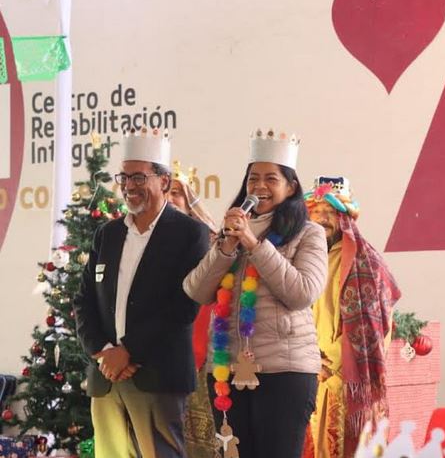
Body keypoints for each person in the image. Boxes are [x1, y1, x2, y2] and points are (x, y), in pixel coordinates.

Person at [183, 129, 328, 458]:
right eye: (253, 179)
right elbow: (195, 291)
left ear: (290, 187)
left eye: (270, 179)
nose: (259, 187)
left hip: (285, 372)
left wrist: (253, 244)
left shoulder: (309, 233)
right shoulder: (229, 234)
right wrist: (226, 248)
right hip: (226, 371)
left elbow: (302, 292)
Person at [74, 127, 211, 458]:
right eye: (124, 178)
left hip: (157, 376)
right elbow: (83, 302)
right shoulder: (107, 234)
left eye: (139, 177)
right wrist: (104, 351)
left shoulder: (190, 233)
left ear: (164, 182)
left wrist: (128, 351)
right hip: (106, 376)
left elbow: (182, 306)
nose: (129, 187)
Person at [302, 177, 401, 458]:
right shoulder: (303, 259)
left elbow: (374, 328)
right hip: (307, 374)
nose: (322, 219)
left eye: (330, 213)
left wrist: (327, 361)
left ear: (345, 218)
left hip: (342, 381)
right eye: (316, 211)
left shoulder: (365, 262)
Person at [166, 161, 220, 458]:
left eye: (178, 193)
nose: (172, 199)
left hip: (202, 342)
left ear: (189, 202)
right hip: (164, 344)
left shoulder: (210, 239)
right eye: (167, 192)